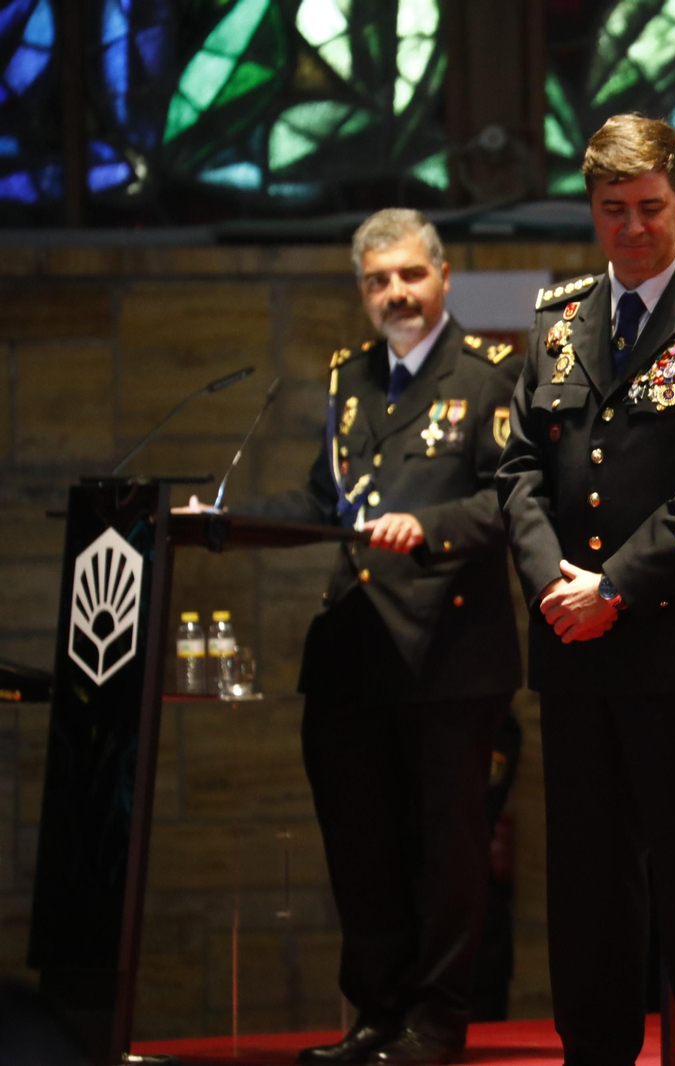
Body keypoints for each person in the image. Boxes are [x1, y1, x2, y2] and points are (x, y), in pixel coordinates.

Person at [196, 208, 523, 1065]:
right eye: (378, 281)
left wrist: (430, 525)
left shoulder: (489, 375)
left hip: (448, 654)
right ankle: (376, 1013)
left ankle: (436, 1023)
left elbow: (514, 504)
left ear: (443, 278)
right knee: (360, 844)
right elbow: (320, 504)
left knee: (447, 852)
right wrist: (225, 521)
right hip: (355, 654)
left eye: (410, 275)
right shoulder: (350, 378)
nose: (396, 294)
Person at [496, 114, 675, 1066]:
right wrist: (552, 586)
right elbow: (519, 476)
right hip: (573, 652)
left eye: (650, 208)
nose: (632, 228)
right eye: (612, 210)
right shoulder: (559, 317)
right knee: (587, 889)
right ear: (592, 209)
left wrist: (612, 585)